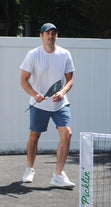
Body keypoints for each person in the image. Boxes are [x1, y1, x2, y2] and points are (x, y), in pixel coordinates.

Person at [20, 23, 75, 189]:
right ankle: (30, 168)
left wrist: (63, 92)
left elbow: (70, 80)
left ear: (56, 36)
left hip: (60, 104)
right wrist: (34, 94)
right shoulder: (33, 55)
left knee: (67, 134)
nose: (50, 36)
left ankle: (58, 175)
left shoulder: (65, 54)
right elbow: (23, 80)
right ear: (41, 36)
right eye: (47, 33)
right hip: (39, 105)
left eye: (53, 33)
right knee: (34, 137)